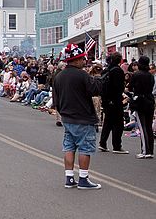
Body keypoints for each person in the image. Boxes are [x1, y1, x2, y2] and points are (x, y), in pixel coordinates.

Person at [53, 44, 102, 189]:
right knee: (85, 148)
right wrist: (98, 77)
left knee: (69, 147)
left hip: (67, 117)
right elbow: (96, 90)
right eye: (81, 59)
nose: (84, 61)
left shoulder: (59, 76)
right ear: (75, 60)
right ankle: (83, 179)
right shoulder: (82, 75)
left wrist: (61, 112)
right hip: (83, 117)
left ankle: (69, 177)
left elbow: (56, 98)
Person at [98, 52, 128, 154]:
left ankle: (102, 143)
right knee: (118, 124)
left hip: (106, 100)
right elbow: (119, 87)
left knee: (107, 123)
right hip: (115, 100)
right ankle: (117, 146)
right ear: (119, 60)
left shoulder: (106, 71)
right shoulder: (118, 71)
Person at [129, 55, 155, 159]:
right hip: (150, 100)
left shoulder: (137, 75)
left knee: (142, 126)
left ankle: (145, 151)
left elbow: (131, 87)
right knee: (148, 127)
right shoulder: (150, 75)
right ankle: (150, 150)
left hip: (140, 101)